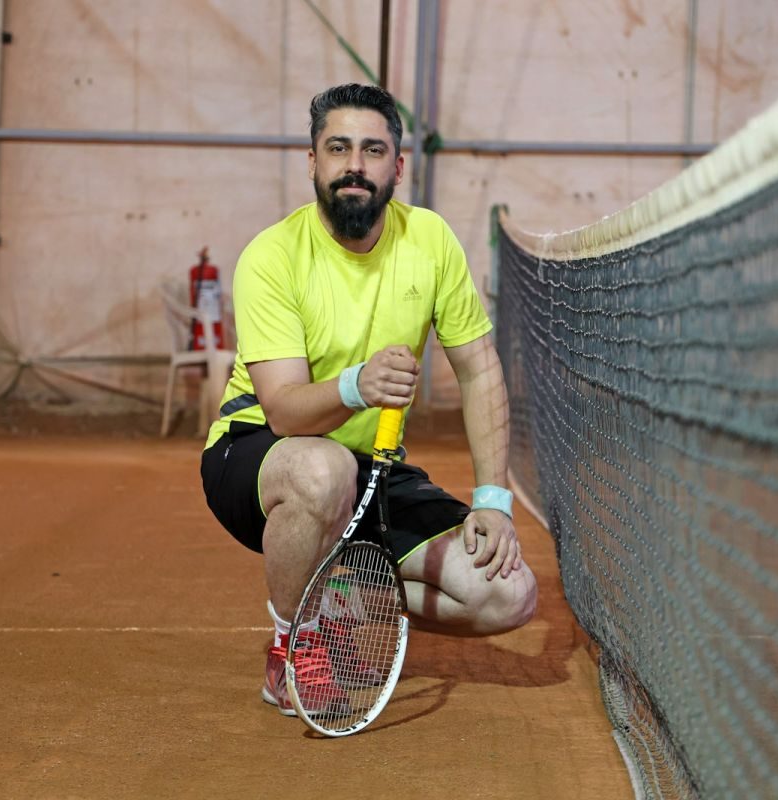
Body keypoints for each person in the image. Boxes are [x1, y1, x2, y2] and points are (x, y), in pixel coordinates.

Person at [200, 83, 537, 717]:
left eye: (373, 149)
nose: (355, 164)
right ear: (313, 161)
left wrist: (493, 499)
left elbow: (480, 370)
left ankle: (342, 582)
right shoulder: (272, 258)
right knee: (322, 469)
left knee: (507, 594)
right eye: (338, 147)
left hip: (371, 466)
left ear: (397, 167)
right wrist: (358, 384)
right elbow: (285, 412)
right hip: (261, 457)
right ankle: (292, 643)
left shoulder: (431, 242)